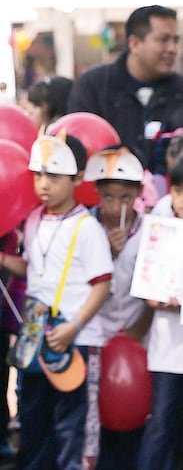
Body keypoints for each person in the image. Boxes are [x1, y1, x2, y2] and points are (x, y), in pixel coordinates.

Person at [0, 133, 112, 470]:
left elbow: (102, 285)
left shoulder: (87, 227)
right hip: (35, 336)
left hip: (75, 339)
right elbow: (32, 268)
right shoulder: (33, 219)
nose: (44, 184)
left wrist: (75, 326)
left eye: (54, 177)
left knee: (70, 425)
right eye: (39, 175)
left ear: (76, 179)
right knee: (33, 418)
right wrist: (2, 260)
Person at [83, 146, 151, 469]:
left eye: (125, 197)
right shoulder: (86, 228)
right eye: (108, 197)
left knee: (134, 414)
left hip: (138, 338)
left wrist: (140, 331)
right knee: (95, 413)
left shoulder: (151, 232)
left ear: (138, 194)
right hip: (95, 335)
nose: (115, 206)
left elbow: (155, 286)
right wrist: (105, 254)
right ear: (96, 191)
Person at [67, 5, 183, 173]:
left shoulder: (180, 90)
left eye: (175, 40)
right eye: (163, 39)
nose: (172, 49)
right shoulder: (92, 87)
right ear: (134, 43)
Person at [136, 157, 183, 470]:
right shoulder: (161, 223)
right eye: (179, 191)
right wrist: (153, 297)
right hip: (167, 347)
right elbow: (147, 283)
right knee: (161, 420)